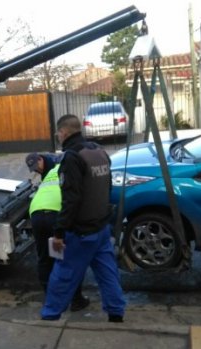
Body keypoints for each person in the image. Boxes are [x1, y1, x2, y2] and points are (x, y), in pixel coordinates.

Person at [40, 114, 126, 322]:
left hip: (80, 233)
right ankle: (116, 314)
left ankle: (49, 316)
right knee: (108, 274)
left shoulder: (72, 157)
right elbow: (107, 188)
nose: (58, 137)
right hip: (101, 229)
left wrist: (60, 232)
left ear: (64, 132)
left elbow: (71, 199)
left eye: (58, 134)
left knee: (62, 275)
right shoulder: (99, 152)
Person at [25, 152, 90, 312]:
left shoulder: (50, 173)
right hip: (56, 214)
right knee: (68, 257)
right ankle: (76, 300)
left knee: (45, 258)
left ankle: (52, 299)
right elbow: (75, 197)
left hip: (37, 213)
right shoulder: (68, 169)